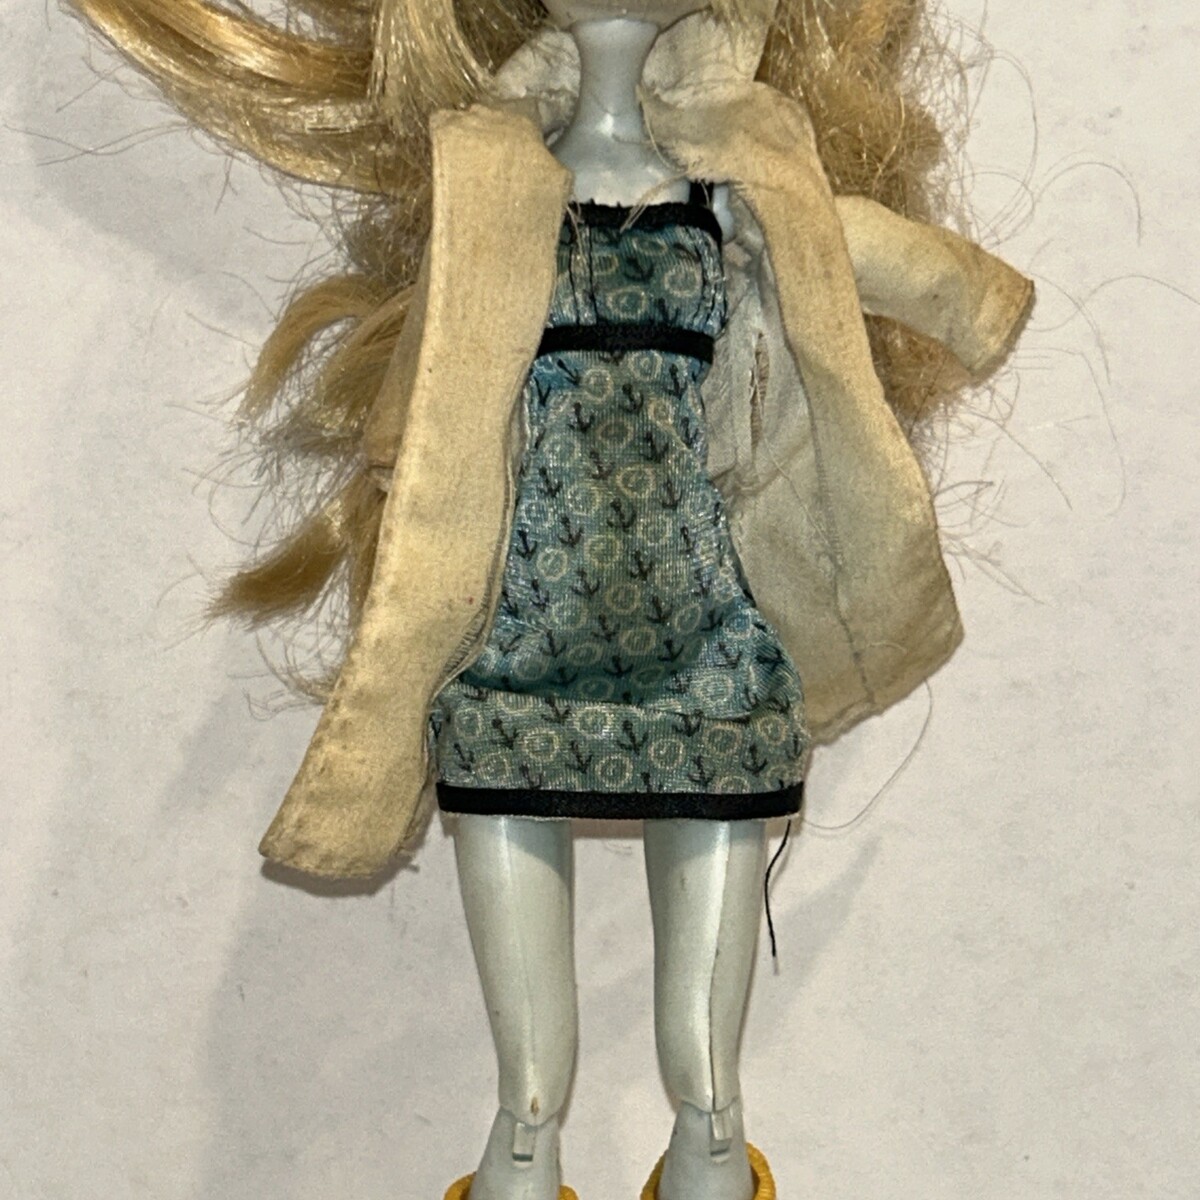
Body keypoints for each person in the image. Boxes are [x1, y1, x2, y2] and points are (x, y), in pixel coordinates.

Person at [67, 2, 1033, 1196]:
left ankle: (709, 1139)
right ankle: (526, 1144)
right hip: (522, 636)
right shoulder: (492, 177)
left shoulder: (734, 183)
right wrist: (400, 467)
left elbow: (856, 255)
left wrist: (951, 295)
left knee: (708, 1064)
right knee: (528, 1070)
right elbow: (437, 367)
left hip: (703, 629)